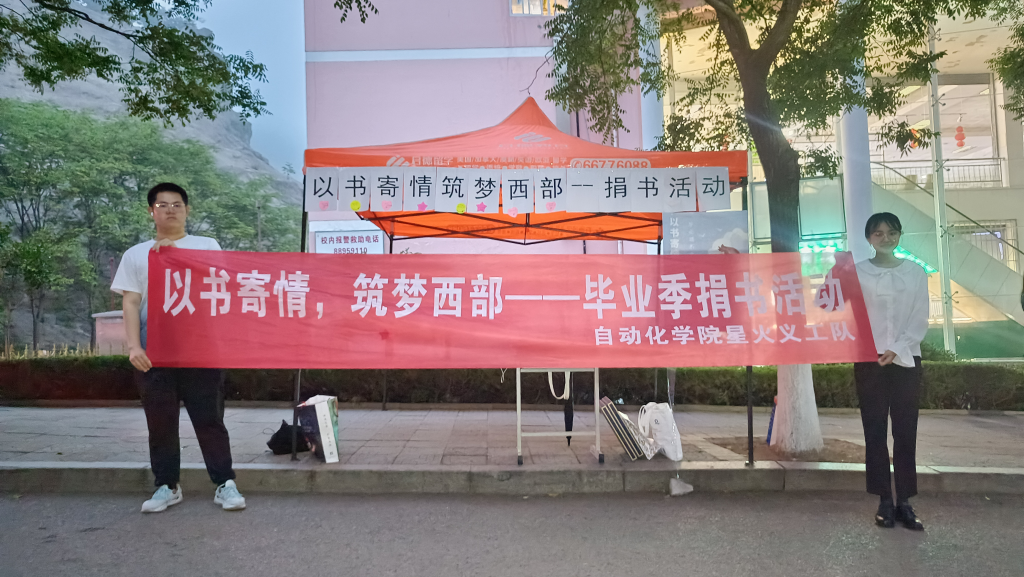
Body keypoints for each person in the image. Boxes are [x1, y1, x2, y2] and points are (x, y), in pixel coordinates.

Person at [112, 182, 246, 513]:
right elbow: (131, 302)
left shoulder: (206, 245)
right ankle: (167, 485)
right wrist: (134, 346)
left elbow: (220, 283)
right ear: (151, 212)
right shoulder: (136, 254)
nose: (170, 210)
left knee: (209, 419)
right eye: (162, 205)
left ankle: (224, 483)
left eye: (177, 204)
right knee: (160, 422)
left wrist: (177, 256)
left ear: (187, 211)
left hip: (201, 350)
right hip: (154, 354)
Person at [854, 212, 928, 531]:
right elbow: (832, 306)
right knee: (874, 431)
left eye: (892, 232)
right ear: (868, 238)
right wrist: (832, 277)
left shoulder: (915, 272)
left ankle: (905, 501)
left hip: (906, 359)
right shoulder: (857, 273)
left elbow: (920, 316)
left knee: (905, 431)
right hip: (868, 360)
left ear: (899, 235)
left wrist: (897, 347)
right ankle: (884, 499)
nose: (886, 238)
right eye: (878, 233)